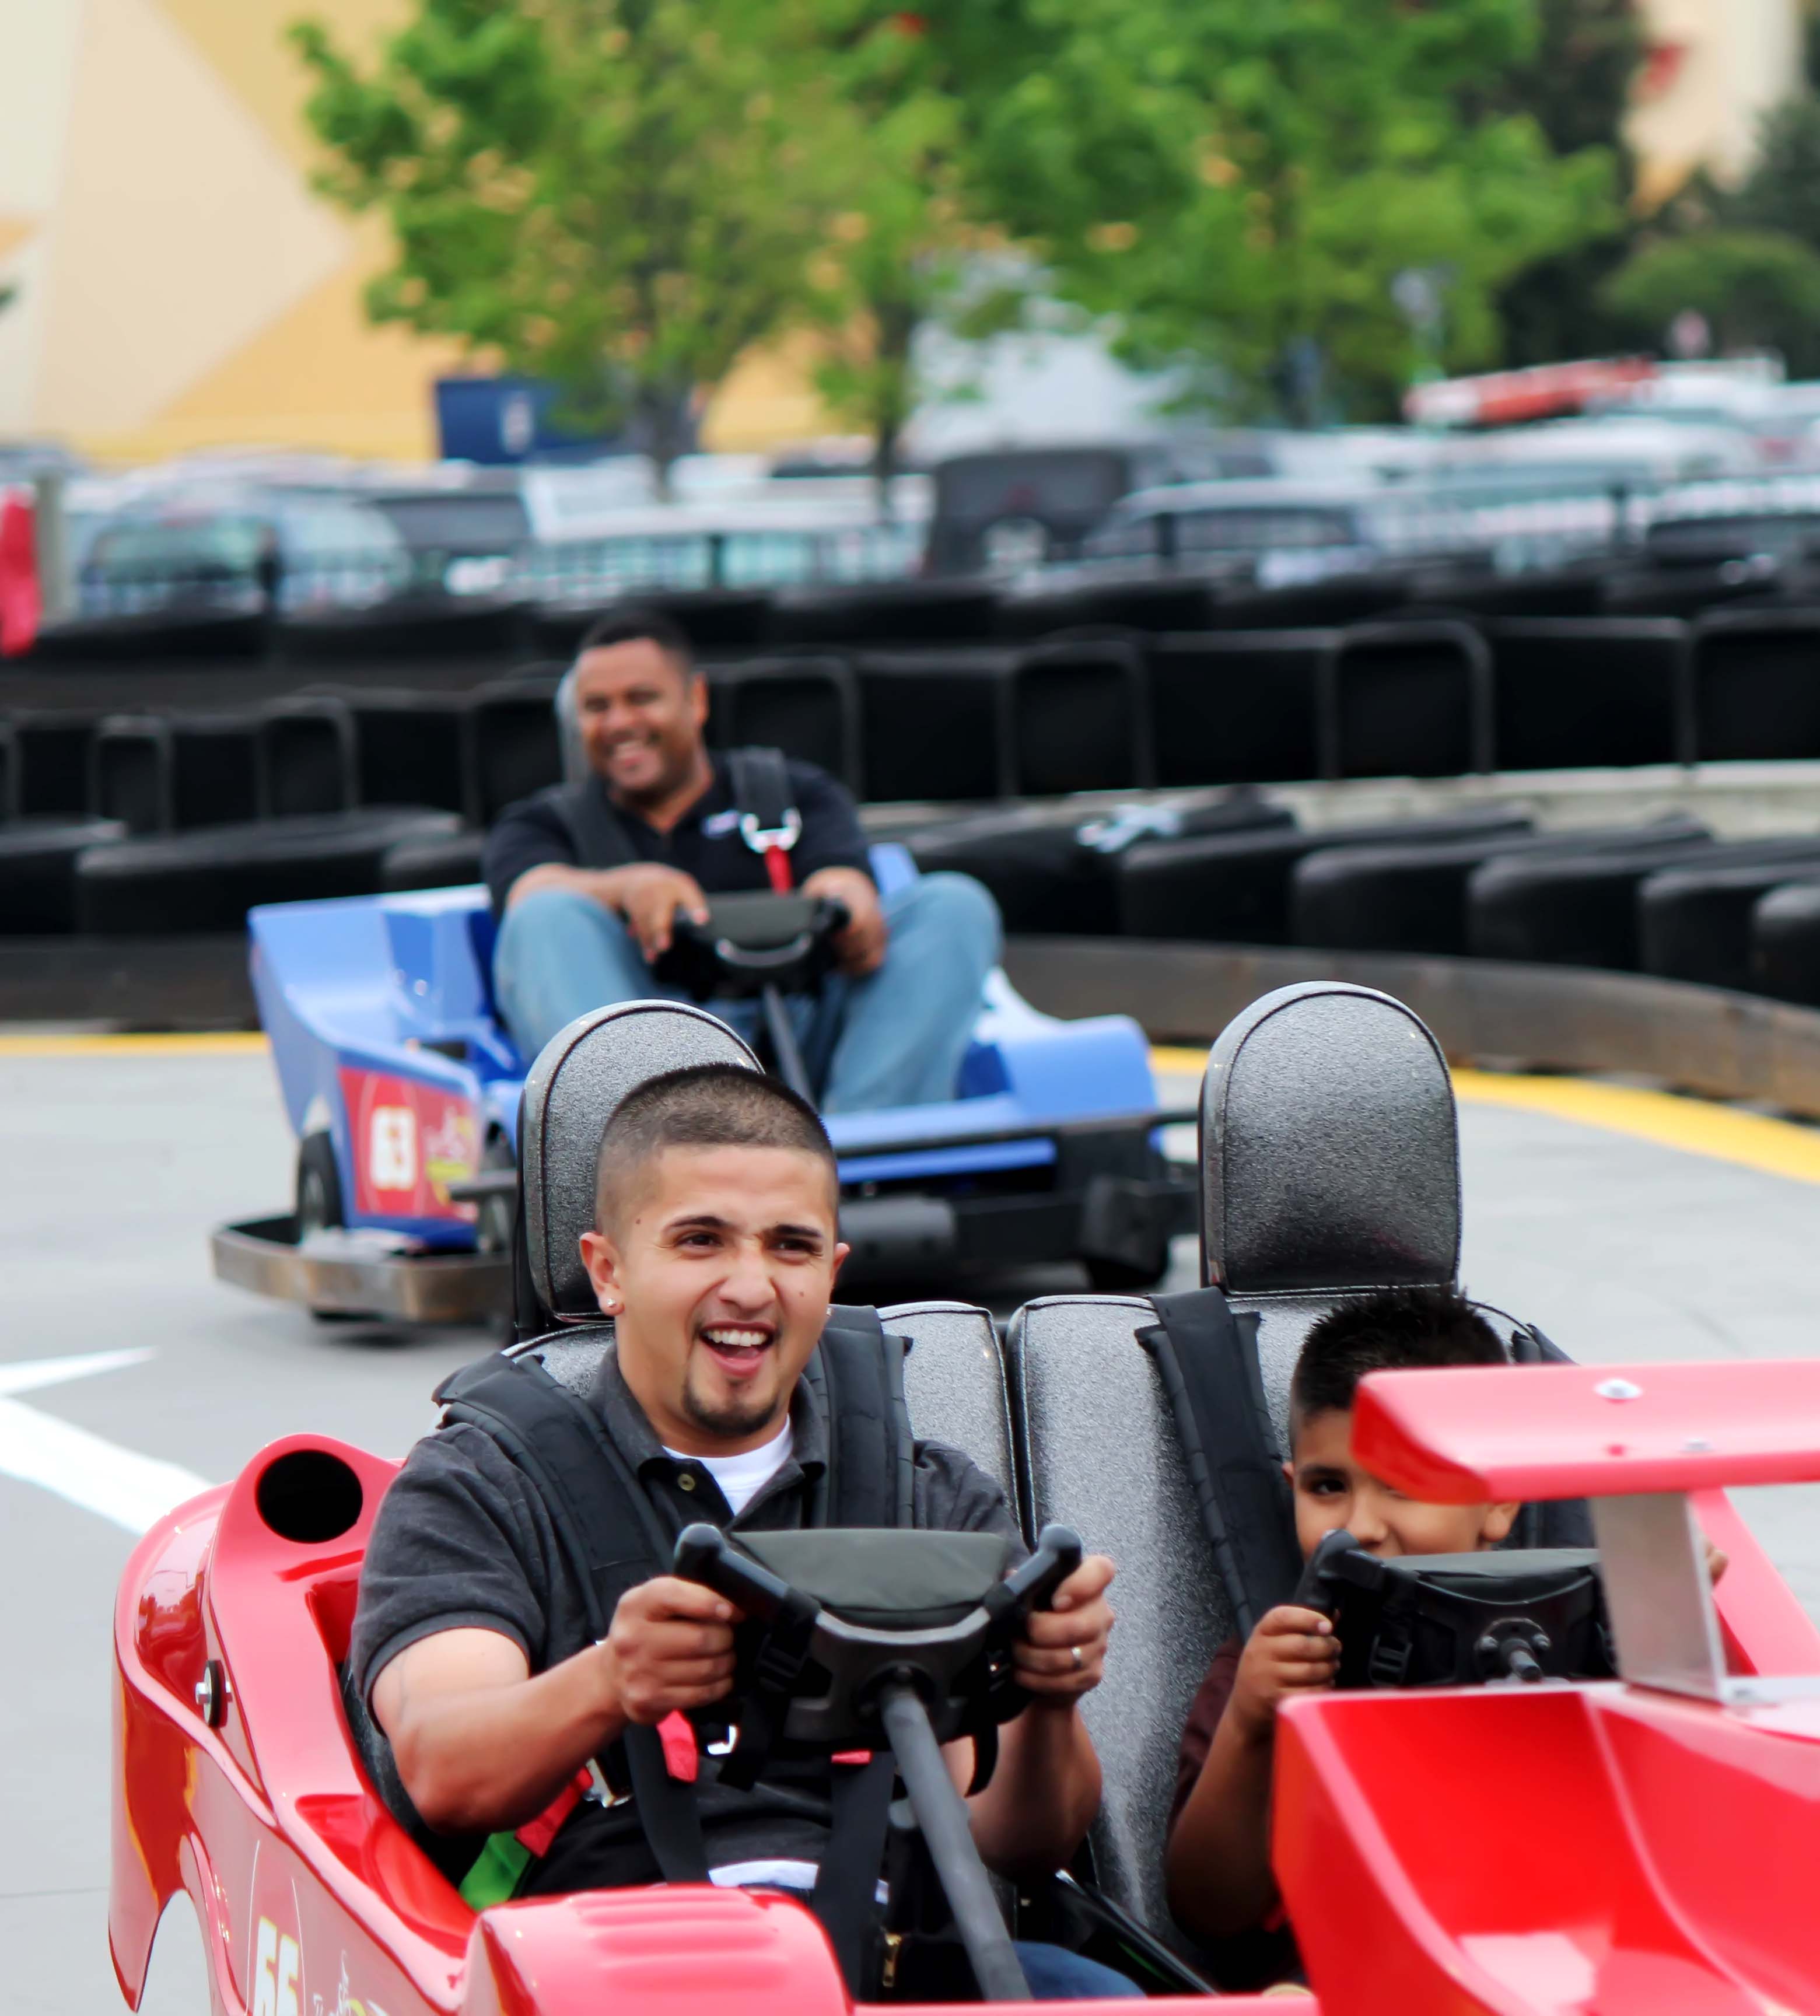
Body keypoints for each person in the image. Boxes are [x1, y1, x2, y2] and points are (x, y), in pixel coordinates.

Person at [346, 1063, 1139, 1998]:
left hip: (886, 1959)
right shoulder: (482, 1485)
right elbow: (443, 1766)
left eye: (791, 1247)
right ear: (609, 1270)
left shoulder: (930, 1501)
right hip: (610, 1973)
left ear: (831, 1274)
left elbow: (1017, 1838)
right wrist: (610, 1682)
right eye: (700, 1241)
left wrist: (1049, 1698)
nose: (751, 1286)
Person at [482, 606, 1002, 1113]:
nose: (619, 723)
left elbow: (842, 873)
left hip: (807, 1029)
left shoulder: (791, 793)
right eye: (597, 708)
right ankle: (654, 1155)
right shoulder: (543, 824)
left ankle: (866, 1148)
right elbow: (528, 893)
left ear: (696, 700)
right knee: (544, 916)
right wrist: (627, 888)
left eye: (641, 699)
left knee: (954, 904)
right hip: (650, 1046)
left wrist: (846, 902)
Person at [1161, 1284, 1519, 1983]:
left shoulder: (1575, 1645)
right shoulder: (1273, 1665)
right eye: (1327, 1488)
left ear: (1499, 1498)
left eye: (1406, 1485)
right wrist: (1251, 1725)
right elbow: (1206, 1911)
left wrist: (1666, 1632)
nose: (1359, 1526)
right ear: (1291, 1485)